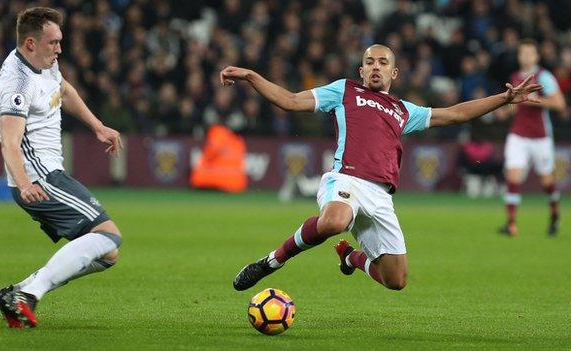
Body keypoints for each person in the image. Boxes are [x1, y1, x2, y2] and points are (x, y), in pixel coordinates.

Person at [220, 44, 541, 292]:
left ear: (394, 73)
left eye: (383, 62)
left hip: (381, 196)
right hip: (346, 179)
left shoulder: (404, 110)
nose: (376, 67)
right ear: (361, 70)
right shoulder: (344, 90)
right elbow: (289, 101)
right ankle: (273, 260)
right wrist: (251, 76)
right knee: (335, 220)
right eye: (370, 62)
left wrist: (504, 99)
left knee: (396, 280)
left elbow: (455, 114)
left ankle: (350, 257)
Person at [0, 7, 124, 328]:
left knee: (106, 255)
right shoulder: (16, 83)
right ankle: (30, 294)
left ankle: (17, 291)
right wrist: (24, 183)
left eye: (60, 42)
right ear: (31, 44)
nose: (59, 49)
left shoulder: (46, 63)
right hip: (40, 177)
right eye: (53, 43)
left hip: (48, 174)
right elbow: (9, 142)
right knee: (109, 236)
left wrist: (97, 126)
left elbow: (63, 89)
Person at [499, 39, 567, 237]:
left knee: (546, 181)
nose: (526, 56)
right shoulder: (514, 76)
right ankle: (511, 224)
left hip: (540, 137)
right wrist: (506, 111)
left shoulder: (544, 77)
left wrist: (533, 101)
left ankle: (554, 212)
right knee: (512, 176)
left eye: (530, 53)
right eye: (523, 53)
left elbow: (560, 104)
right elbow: (516, 105)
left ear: (536, 56)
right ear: (519, 56)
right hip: (518, 134)